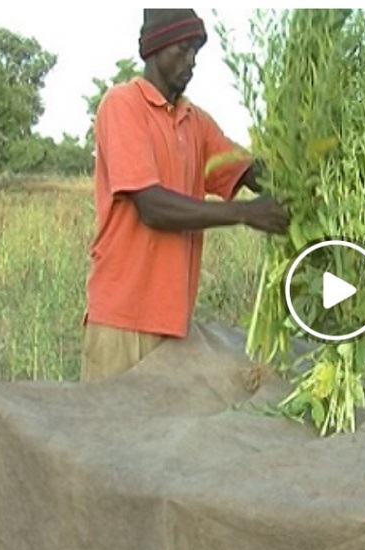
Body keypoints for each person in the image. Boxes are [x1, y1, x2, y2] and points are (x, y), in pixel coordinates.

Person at [79, 8, 290, 383]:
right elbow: (152, 206)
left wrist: (304, 172)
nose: (192, 61)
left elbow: (249, 173)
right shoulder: (123, 105)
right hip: (122, 319)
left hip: (173, 322)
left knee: (162, 437)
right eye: (183, 49)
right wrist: (244, 213)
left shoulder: (196, 122)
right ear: (154, 50)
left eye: (197, 51)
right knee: (113, 436)